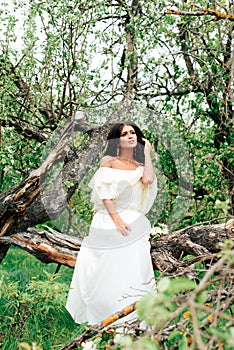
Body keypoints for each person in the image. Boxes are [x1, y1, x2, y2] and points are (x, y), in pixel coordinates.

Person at [66, 121, 157, 326]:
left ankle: (134, 318)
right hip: (110, 217)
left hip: (133, 219)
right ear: (117, 139)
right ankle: (107, 317)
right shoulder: (109, 160)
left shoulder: (140, 166)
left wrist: (148, 152)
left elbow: (149, 180)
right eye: (125, 134)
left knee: (135, 265)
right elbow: (105, 194)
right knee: (108, 267)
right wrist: (117, 222)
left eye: (133, 133)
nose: (130, 136)